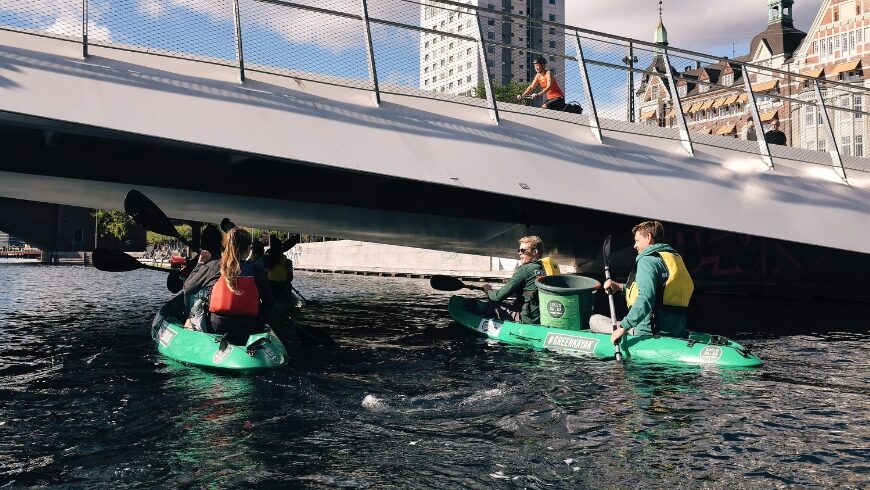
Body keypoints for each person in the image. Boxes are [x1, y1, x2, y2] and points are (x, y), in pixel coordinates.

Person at [589, 221, 694, 345]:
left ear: (649, 238)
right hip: (676, 331)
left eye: (637, 240)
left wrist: (623, 327)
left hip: (649, 332)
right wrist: (619, 286)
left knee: (594, 320)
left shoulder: (647, 260)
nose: (634, 246)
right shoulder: (674, 258)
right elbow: (660, 292)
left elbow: (646, 298)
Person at [208, 227, 274, 345]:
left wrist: (199, 265)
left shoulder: (214, 267)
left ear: (226, 247)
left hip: (218, 326)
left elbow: (189, 288)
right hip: (249, 327)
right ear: (248, 249)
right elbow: (269, 303)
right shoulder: (256, 270)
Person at [481, 235, 546, 324]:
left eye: (523, 250)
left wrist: (488, 290)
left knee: (492, 304)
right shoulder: (543, 268)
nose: (519, 253)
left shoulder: (525, 269)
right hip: (540, 318)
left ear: (534, 252)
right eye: (519, 250)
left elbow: (498, 296)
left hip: (526, 319)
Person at [180, 224, 223, 331]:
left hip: (212, 321)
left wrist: (200, 263)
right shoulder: (230, 264)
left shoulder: (210, 265)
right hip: (230, 317)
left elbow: (187, 288)